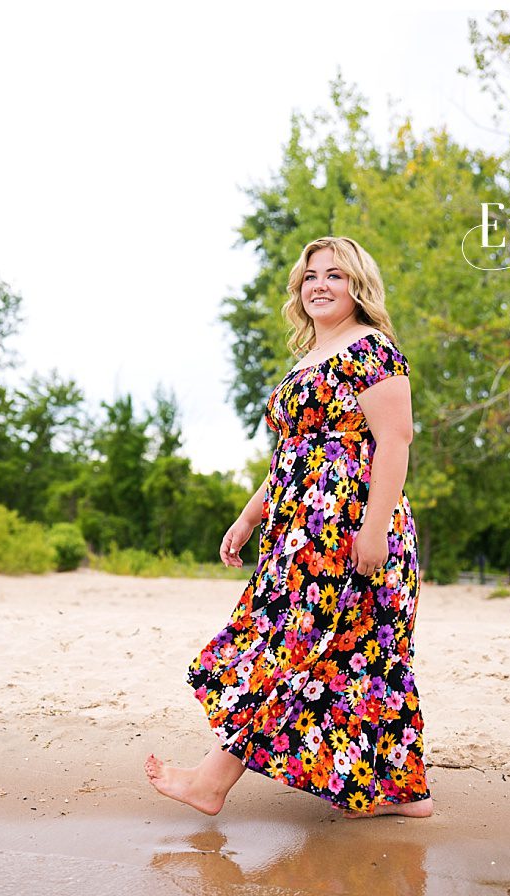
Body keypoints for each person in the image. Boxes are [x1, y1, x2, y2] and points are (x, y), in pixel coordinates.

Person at [146, 235, 432, 819]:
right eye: (310, 277)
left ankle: (210, 782)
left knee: (294, 652)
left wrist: (374, 529)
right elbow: (293, 456)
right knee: (355, 660)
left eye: (335, 275)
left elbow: (395, 441)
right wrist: (249, 516)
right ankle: (406, 795)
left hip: (347, 531)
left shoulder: (372, 348)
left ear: (358, 286)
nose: (320, 285)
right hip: (300, 533)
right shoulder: (309, 358)